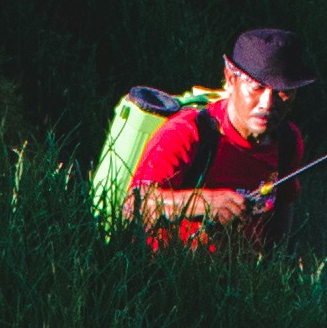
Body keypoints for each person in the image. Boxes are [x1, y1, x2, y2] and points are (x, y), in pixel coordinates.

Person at [130, 26, 310, 241]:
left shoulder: (288, 141)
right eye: (256, 86)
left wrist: (277, 264)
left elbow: (283, 207)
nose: (268, 103)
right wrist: (203, 203)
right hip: (167, 269)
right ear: (230, 78)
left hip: (238, 273)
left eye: (284, 92)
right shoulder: (187, 132)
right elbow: (133, 206)